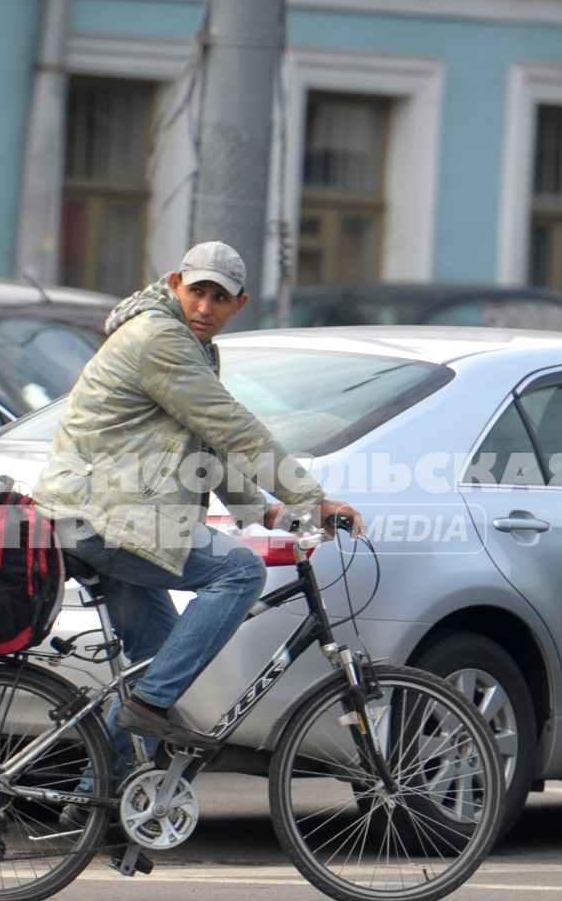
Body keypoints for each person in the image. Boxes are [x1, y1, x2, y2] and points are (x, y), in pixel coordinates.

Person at [33, 241, 364, 760]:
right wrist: (311, 499)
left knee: (157, 658)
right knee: (239, 574)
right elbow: (229, 425)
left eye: (219, 297)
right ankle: (146, 708)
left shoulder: (190, 345)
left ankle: (104, 798)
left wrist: (264, 511)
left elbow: (204, 439)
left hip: (99, 513)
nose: (206, 307)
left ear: (240, 303)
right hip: (105, 515)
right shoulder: (159, 337)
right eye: (196, 292)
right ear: (173, 285)